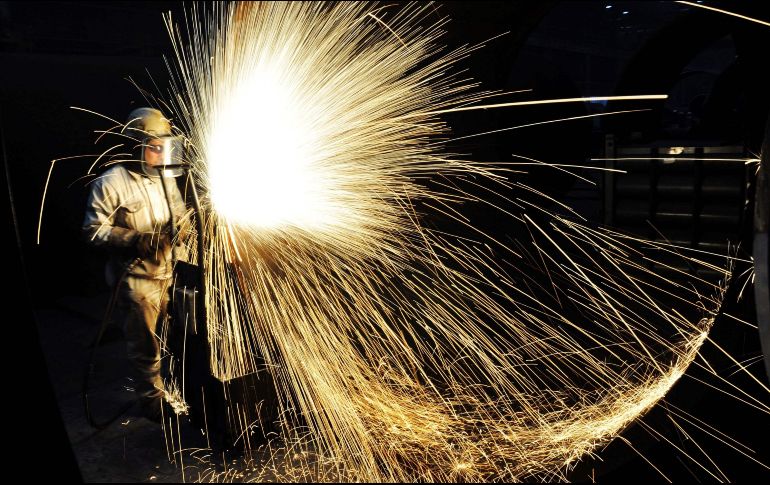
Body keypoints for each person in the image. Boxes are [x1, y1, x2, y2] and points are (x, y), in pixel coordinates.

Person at [82, 107, 189, 421]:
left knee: (176, 337)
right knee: (146, 346)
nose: (160, 154)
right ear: (135, 146)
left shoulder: (164, 178)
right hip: (136, 280)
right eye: (154, 148)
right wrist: (134, 239)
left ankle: (176, 390)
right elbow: (92, 231)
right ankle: (152, 402)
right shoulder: (111, 182)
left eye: (163, 147)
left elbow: (180, 216)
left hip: (170, 271)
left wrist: (184, 226)